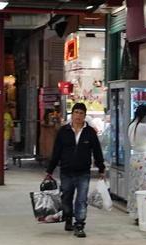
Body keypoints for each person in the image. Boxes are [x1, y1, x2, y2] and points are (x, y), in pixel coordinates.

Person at [45, 101, 105, 238]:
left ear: (85, 116)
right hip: (66, 171)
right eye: (76, 113)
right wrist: (49, 170)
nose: (78, 116)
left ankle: (79, 224)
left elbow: (97, 151)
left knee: (81, 199)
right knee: (66, 197)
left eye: (81, 113)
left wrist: (101, 168)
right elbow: (56, 152)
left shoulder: (90, 132)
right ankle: (68, 218)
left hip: (83, 172)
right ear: (72, 115)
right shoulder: (63, 131)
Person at [127, 104, 146, 216]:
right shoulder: (144, 127)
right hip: (145, 159)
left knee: (135, 185)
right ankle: (144, 213)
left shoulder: (132, 125)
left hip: (135, 158)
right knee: (145, 185)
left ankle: (134, 211)